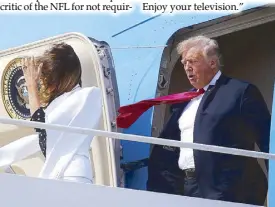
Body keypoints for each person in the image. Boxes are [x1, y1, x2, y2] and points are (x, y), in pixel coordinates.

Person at [116, 36, 270, 205]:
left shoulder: (240, 92)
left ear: (212, 63)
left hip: (228, 188)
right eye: (184, 63)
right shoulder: (185, 102)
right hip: (190, 187)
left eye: (193, 61)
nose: (187, 67)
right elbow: (168, 148)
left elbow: (267, 140)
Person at [0, 43, 102, 184]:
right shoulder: (61, 103)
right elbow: (43, 132)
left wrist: (31, 87)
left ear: (63, 77)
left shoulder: (84, 97)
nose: (46, 83)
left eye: (48, 77)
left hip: (72, 174)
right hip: (66, 175)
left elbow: (43, 131)